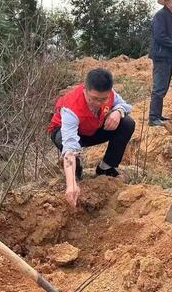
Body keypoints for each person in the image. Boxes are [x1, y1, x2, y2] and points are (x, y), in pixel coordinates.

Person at [47, 68, 135, 207]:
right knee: (68, 146)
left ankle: (106, 168)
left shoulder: (109, 94)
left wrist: (118, 111)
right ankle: (75, 175)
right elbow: (70, 146)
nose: (99, 103)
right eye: (94, 99)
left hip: (92, 128)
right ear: (85, 90)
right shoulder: (72, 107)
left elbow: (124, 105)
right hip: (65, 133)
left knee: (127, 123)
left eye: (103, 99)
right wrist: (71, 184)